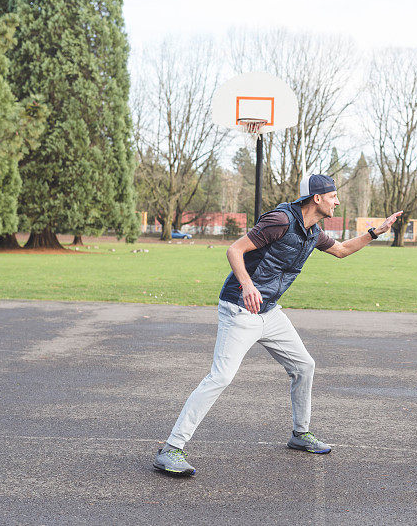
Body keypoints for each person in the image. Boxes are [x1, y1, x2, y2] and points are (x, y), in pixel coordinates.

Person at [153, 174, 402, 476]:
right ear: (317, 198)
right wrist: (246, 284)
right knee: (221, 377)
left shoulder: (312, 232)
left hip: (269, 313)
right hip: (240, 309)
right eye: (333, 196)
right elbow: (234, 250)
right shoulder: (280, 220)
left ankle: (300, 434)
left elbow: (342, 250)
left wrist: (375, 232)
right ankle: (171, 449)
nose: (337, 201)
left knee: (304, 365)